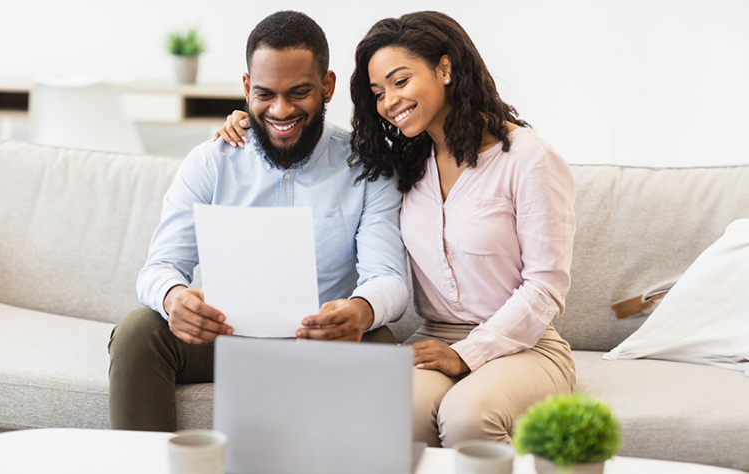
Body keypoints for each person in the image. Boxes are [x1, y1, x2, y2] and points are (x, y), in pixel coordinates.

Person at [219, 10, 576, 448]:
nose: (388, 101)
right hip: (434, 337)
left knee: (468, 417)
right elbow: (290, 132)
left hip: (525, 346)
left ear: (445, 69)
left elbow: (546, 287)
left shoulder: (528, 158)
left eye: (400, 82)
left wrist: (467, 353)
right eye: (377, 92)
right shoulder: (404, 163)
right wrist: (247, 128)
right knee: (387, 415)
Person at [108, 10, 409, 432]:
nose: (281, 110)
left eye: (299, 92)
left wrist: (359, 311)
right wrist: (174, 298)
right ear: (247, 88)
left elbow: (390, 277)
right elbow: (157, 268)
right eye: (265, 93)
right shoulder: (212, 162)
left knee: (378, 342)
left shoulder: (366, 168)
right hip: (225, 338)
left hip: (320, 342)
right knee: (140, 330)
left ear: (327, 87)